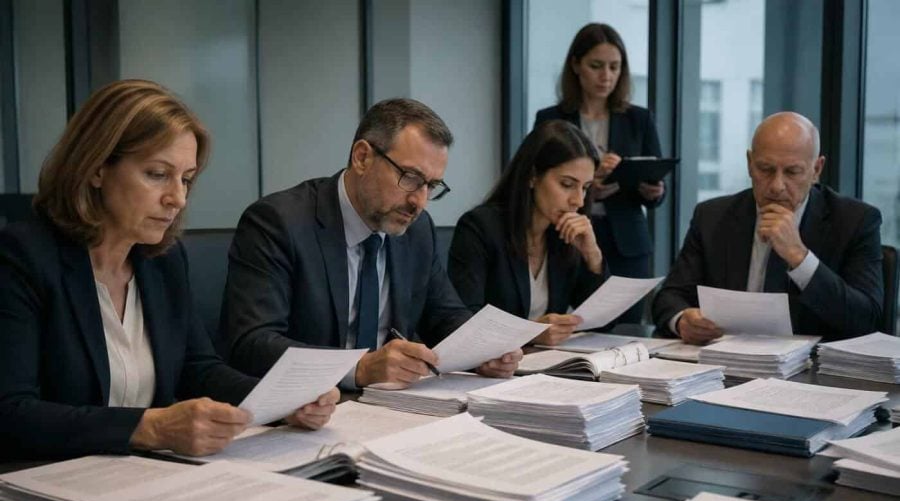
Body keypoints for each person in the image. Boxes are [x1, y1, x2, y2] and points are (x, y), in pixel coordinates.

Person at [0, 80, 337, 459]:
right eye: (157, 174)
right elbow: (10, 412)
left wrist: (281, 402)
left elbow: (198, 369)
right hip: (45, 485)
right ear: (96, 168)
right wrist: (149, 427)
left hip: (146, 477)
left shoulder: (162, 260)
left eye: (186, 179)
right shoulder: (21, 257)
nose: (177, 198)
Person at [220, 98, 522, 388]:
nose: (419, 201)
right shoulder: (279, 223)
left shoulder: (418, 231)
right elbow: (251, 343)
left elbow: (444, 314)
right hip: (306, 411)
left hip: (392, 406)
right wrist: (359, 368)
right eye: (410, 177)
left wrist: (484, 351)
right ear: (362, 157)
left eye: (431, 186)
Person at [652, 111, 883, 344]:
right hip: (723, 363)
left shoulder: (855, 221)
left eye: (792, 172)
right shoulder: (712, 216)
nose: (777, 186)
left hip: (810, 371)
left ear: (816, 169)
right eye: (765, 169)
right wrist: (682, 320)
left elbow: (866, 319)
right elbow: (670, 296)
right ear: (750, 164)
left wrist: (800, 258)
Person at [534, 22, 665, 323]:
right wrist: (593, 179)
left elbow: (655, 177)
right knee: (576, 325)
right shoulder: (551, 118)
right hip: (570, 232)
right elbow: (539, 175)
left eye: (614, 67)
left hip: (627, 241)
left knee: (628, 329)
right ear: (576, 65)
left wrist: (655, 191)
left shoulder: (638, 118)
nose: (606, 76)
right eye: (596, 66)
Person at [448, 120, 606, 346]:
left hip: (546, 367)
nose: (578, 201)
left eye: (585, 187)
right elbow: (465, 322)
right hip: (491, 370)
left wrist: (593, 256)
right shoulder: (480, 227)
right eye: (567, 184)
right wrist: (530, 333)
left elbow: (599, 323)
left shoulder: (563, 234)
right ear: (533, 176)